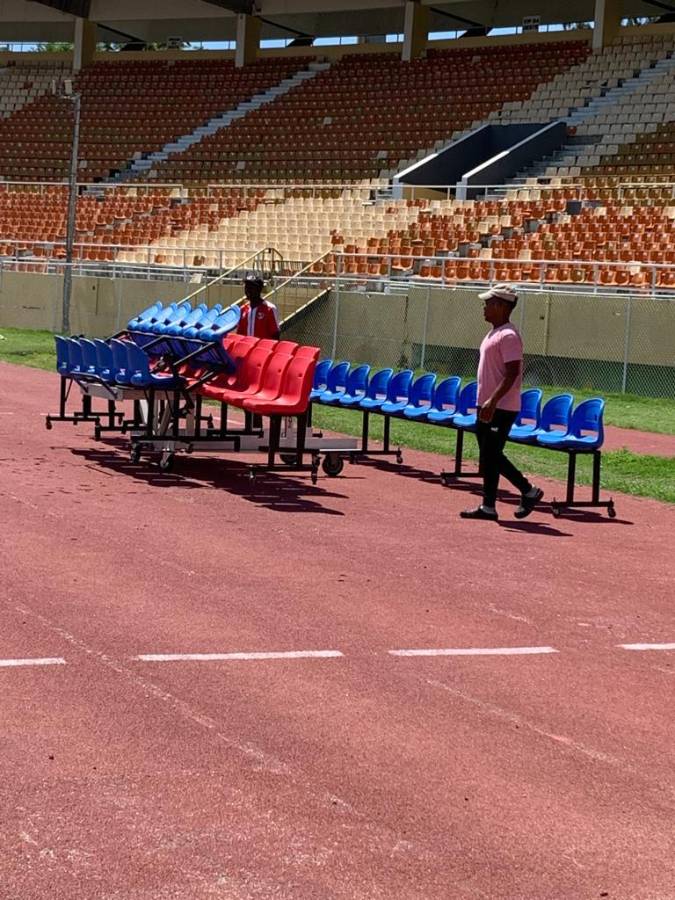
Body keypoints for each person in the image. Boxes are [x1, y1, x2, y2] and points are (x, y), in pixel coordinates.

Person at [460, 284, 543, 521]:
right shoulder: (493, 333)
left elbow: (513, 373)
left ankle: (528, 490)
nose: (484, 308)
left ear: (501, 306)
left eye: (488, 303)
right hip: (487, 404)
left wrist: (493, 401)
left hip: (501, 407)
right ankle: (488, 507)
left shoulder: (508, 336)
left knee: (491, 455)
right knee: (489, 456)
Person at [237, 274, 280, 340]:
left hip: (263, 349)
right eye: (246, 287)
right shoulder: (243, 309)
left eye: (251, 288)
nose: (247, 290)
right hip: (246, 348)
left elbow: (275, 334)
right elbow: (240, 333)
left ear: (259, 289)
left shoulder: (270, 309)